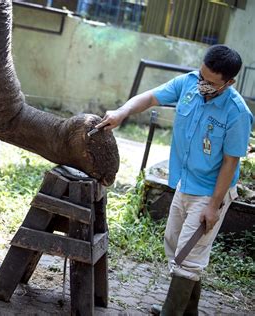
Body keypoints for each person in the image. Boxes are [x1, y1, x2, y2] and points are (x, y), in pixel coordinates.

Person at [95, 45, 253, 315]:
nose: (203, 84)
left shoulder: (236, 113)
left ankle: (172, 311)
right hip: (184, 182)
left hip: (211, 191)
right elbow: (150, 97)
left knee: (188, 256)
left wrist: (213, 206)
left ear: (229, 82)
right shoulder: (189, 84)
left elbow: (230, 163)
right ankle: (186, 310)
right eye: (202, 76)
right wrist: (122, 113)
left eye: (211, 83)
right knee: (174, 243)